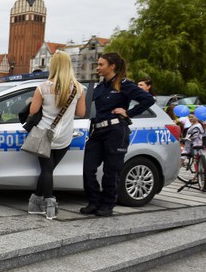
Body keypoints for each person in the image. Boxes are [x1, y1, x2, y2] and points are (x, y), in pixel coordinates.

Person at [81, 53, 155, 217]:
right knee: (88, 169)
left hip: (115, 132)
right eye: (98, 64)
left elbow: (148, 100)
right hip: (98, 131)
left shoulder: (124, 85)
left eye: (101, 64)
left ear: (112, 66)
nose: (98, 67)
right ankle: (94, 202)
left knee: (111, 171)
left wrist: (129, 113)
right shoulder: (99, 87)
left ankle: (107, 205)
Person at [27, 51, 86, 220]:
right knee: (49, 171)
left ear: (53, 66)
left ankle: (49, 204)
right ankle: (34, 204)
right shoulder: (78, 88)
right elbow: (82, 113)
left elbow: (33, 111)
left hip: (44, 135)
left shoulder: (43, 87)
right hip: (65, 136)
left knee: (46, 170)